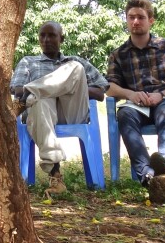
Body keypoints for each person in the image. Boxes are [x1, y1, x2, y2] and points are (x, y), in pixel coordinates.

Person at [9, 21, 108, 193]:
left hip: (71, 111)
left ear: (61, 38)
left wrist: (61, 86)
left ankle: (33, 91)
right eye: (42, 35)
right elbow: (17, 89)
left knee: (75, 69)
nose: (46, 39)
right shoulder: (28, 62)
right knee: (40, 101)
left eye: (52, 35)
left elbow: (100, 92)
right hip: (41, 113)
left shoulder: (75, 61)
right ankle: (56, 176)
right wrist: (50, 90)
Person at [105, 0, 165, 185]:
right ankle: (147, 174)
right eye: (131, 17)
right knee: (124, 116)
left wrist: (161, 95)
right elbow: (109, 87)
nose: (135, 21)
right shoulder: (118, 54)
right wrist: (130, 94)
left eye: (140, 17)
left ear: (151, 20)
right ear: (126, 20)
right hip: (136, 104)